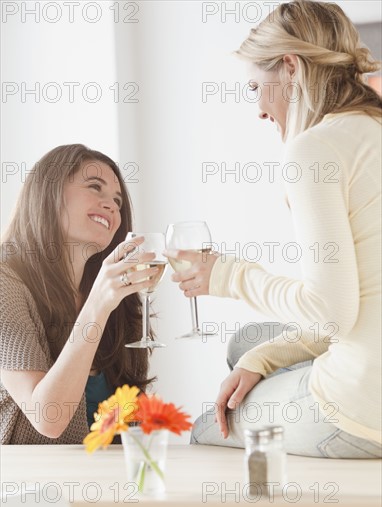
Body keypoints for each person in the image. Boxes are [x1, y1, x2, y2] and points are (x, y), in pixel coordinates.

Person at [165, 0, 382, 458]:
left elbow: (329, 314)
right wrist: (260, 360)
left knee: (208, 427)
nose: (259, 110)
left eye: (254, 88)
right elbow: (356, 307)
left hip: (365, 408)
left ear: (290, 67)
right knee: (249, 345)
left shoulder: (315, 149)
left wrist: (225, 275)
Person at [0, 144, 158, 444]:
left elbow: (130, 419)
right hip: (29, 486)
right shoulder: (5, 285)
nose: (111, 205)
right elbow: (49, 418)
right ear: (48, 193)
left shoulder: (115, 297)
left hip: (107, 482)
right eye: (94, 187)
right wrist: (98, 305)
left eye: (116, 199)